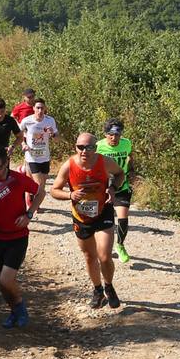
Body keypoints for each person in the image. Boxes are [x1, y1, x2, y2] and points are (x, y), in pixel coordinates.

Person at [50, 132, 126, 309]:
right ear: (75, 147)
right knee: (89, 256)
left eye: (89, 147)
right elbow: (54, 190)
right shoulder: (68, 165)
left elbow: (120, 174)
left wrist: (113, 188)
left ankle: (109, 286)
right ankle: (98, 290)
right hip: (81, 217)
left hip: (103, 212)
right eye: (80, 147)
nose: (84, 151)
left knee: (105, 256)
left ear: (95, 148)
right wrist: (70, 194)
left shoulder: (104, 161)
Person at [0, 145, 44, 328]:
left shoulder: (18, 179)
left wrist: (29, 214)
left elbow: (40, 192)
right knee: (1, 282)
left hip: (17, 237)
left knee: (6, 279)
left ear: (6, 164)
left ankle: (20, 307)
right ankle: (13, 312)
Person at [96, 119, 135, 264]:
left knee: (123, 218)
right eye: (111, 135)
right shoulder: (98, 146)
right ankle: (100, 245)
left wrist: (131, 169)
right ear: (105, 134)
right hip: (104, 188)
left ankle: (120, 245)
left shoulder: (126, 143)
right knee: (100, 219)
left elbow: (130, 155)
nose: (114, 138)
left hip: (122, 185)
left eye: (117, 135)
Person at [18, 98, 59, 194]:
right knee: (39, 185)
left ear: (45, 109)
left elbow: (57, 140)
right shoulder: (26, 121)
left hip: (45, 157)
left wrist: (52, 134)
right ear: (33, 108)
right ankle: (33, 207)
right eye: (38, 108)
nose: (40, 111)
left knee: (42, 184)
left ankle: (31, 201)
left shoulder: (50, 120)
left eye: (42, 108)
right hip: (32, 157)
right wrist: (23, 144)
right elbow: (18, 135)